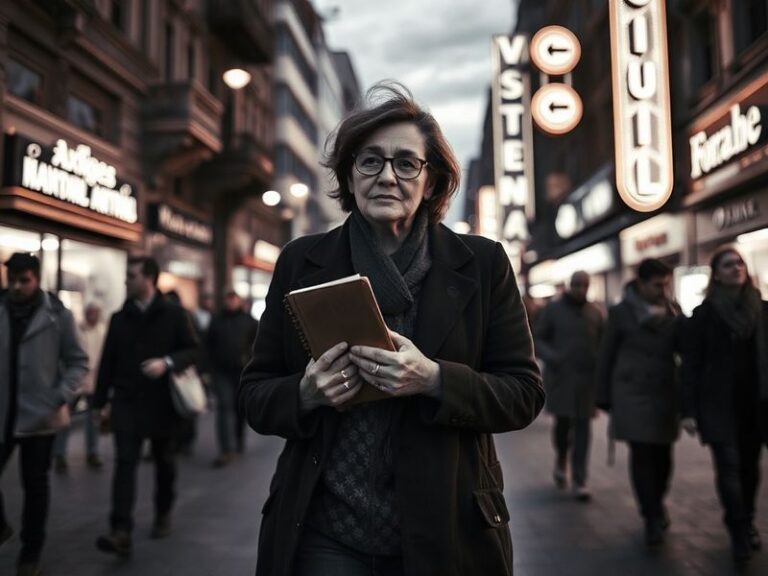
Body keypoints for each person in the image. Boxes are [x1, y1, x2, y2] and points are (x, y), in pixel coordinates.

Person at [238, 83, 544, 576]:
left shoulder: (482, 264)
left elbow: (524, 393)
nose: (387, 176)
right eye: (370, 161)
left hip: (446, 532)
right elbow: (254, 395)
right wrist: (306, 393)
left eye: (406, 163)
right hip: (325, 534)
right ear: (349, 173)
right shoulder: (301, 261)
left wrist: (434, 379)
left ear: (433, 178)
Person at [92, 256, 198, 557]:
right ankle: (120, 530)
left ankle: (163, 512)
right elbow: (107, 363)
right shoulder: (119, 318)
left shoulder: (175, 314)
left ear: (149, 279)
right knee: (125, 464)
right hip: (126, 401)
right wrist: (100, 402)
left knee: (165, 461)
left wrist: (166, 363)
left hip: (163, 402)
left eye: (132, 276)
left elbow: (193, 350)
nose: (126, 281)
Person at [0, 253, 88, 576]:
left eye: (24, 281)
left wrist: (58, 397)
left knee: (34, 487)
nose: (17, 287)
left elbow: (78, 361)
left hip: (40, 416)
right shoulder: (1, 308)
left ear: (37, 279)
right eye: (13, 280)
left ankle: (30, 552)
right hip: (3, 413)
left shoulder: (57, 315)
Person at [681, 246, 768, 566]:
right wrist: (688, 410)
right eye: (729, 264)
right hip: (718, 406)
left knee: (750, 469)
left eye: (740, 263)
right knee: (728, 470)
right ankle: (738, 529)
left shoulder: (763, 309)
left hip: (756, 406)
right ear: (716, 274)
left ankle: (748, 519)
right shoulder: (704, 315)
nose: (737, 268)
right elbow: (690, 364)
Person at [596, 258, 681, 548]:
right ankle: (651, 516)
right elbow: (606, 354)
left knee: (664, 456)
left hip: (664, 391)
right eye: (658, 285)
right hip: (631, 392)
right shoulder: (621, 313)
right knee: (642, 454)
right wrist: (603, 396)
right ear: (641, 284)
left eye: (666, 284)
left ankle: (657, 502)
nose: (663, 290)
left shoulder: (673, 310)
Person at [534, 271, 603, 500]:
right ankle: (562, 459)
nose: (580, 289)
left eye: (584, 285)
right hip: (561, 378)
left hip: (586, 381)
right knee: (563, 426)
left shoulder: (595, 312)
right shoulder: (553, 310)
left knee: (583, 429)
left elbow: (604, 343)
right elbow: (538, 338)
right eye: (576, 284)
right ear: (569, 285)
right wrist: (554, 357)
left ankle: (580, 478)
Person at [53, 302, 106, 472]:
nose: (92, 315)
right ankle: (59, 454)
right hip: (75, 381)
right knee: (64, 418)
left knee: (93, 420)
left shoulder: (102, 331)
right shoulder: (76, 329)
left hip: (94, 381)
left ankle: (92, 452)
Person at [207, 290, 258, 466]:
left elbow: (259, 344)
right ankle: (225, 450)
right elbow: (208, 345)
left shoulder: (249, 321)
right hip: (221, 371)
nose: (230, 302)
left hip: (242, 372)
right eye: (227, 299)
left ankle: (238, 438)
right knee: (224, 407)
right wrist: (206, 370)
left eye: (233, 299)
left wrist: (249, 358)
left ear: (239, 301)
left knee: (239, 408)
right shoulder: (216, 320)